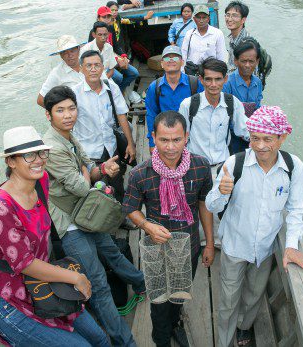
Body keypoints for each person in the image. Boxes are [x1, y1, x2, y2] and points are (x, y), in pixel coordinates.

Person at [0, 126, 110, 347]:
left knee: (99, 339)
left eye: (41, 153)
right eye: (28, 155)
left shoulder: (41, 181)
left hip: (42, 283)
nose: (38, 160)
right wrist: (76, 277)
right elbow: (24, 263)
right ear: (11, 162)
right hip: (10, 299)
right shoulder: (0, 205)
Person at [41, 86, 145, 347]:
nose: (68, 115)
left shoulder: (68, 136)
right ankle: (125, 341)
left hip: (86, 213)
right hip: (70, 223)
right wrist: (92, 173)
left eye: (72, 108)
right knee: (97, 282)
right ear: (48, 115)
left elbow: (88, 167)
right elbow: (81, 186)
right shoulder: (52, 146)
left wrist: (100, 168)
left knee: (111, 251)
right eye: (60, 110)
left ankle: (141, 282)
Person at [206, 106, 303, 347]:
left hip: (264, 249)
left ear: (282, 138)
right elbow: (212, 205)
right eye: (255, 138)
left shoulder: (293, 167)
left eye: (268, 139)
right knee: (228, 301)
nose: (261, 145)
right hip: (234, 246)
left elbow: (296, 209)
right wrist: (222, 192)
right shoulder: (235, 164)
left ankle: (243, 327)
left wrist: (292, 245)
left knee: (254, 295)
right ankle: (224, 341)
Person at [123, 111, 215, 347]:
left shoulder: (201, 167)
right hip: (157, 250)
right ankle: (161, 339)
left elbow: (204, 205)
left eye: (176, 139)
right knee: (159, 303)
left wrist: (210, 244)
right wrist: (146, 225)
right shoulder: (139, 174)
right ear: (153, 137)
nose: (170, 147)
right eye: (164, 140)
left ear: (186, 137)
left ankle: (176, 324)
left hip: (190, 245)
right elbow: (130, 208)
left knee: (180, 293)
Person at [178, 57, 248, 247]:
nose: (213, 84)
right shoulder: (188, 105)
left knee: (219, 206)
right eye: (208, 79)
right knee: (193, 204)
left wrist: (266, 139)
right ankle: (199, 242)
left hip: (221, 166)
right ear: (200, 79)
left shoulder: (232, 103)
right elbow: (181, 137)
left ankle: (216, 243)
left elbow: (244, 131)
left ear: (225, 79)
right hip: (194, 165)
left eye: (218, 79)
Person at [72, 50, 136, 203]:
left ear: (102, 68)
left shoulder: (110, 87)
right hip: (89, 152)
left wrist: (130, 143)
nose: (93, 69)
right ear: (81, 69)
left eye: (96, 65)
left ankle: (121, 216)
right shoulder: (74, 94)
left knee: (117, 183)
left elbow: (121, 116)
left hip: (111, 147)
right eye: (88, 66)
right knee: (97, 191)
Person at [144, 45, 203, 152]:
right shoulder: (155, 87)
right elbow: (151, 115)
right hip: (166, 139)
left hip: (192, 138)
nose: (171, 60)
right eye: (167, 58)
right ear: (162, 63)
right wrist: (152, 142)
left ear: (182, 62)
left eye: (175, 57)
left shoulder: (194, 83)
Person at [223, 38, 263, 153]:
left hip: (252, 133)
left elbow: (257, 108)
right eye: (243, 61)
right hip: (233, 135)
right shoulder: (228, 83)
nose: (247, 65)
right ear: (235, 61)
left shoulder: (257, 82)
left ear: (257, 61)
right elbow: (224, 114)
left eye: (251, 61)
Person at [89, 6, 140, 92]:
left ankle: (118, 90)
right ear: (98, 18)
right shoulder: (94, 33)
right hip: (103, 63)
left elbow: (116, 46)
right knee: (118, 77)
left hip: (112, 58)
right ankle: (113, 91)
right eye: (103, 17)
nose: (106, 19)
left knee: (134, 73)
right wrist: (116, 59)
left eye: (108, 16)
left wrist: (124, 56)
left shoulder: (111, 28)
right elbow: (94, 54)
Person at [37, 35, 93, 108]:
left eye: (72, 51)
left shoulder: (88, 63)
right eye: (65, 53)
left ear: (78, 49)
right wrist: (60, 112)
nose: (70, 55)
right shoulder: (57, 73)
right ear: (61, 55)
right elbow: (40, 99)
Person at [181, 4, 226, 75]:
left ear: (208, 18)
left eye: (204, 17)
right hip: (193, 73)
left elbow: (221, 56)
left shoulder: (217, 33)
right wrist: (183, 73)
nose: (201, 20)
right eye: (198, 17)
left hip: (211, 72)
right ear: (194, 19)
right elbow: (184, 55)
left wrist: (220, 74)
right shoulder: (189, 34)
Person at [224, 1, 252, 71]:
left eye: (234, 16)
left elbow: (249, 73)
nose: (229, 19)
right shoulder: (233, 38)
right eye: (227, 15)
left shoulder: (246, 44)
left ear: (243, 20)